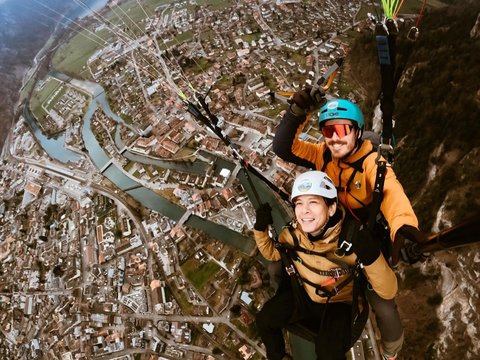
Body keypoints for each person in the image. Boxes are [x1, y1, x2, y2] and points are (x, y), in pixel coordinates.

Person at [272, 90, 427, 359]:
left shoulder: (371, 164)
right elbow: (284, 147)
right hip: (332, 232)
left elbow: (392, 195)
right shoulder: (323, 155)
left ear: (357, 131)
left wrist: (404, 229)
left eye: (342, 129)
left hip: (363, 238)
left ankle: (391, 353)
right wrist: (296, 114)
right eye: (327, 131)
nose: (334, 138)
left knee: (383, 303)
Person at [253, 170, 398, 360]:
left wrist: (372, 257)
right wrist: (260, 230)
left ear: (331, 207)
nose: (304, 211)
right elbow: (273, 254)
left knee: (328, 352)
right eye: (299, 203)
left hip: (339, 304)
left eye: (313, 202)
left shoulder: (353, 240)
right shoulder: (294, 234)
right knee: (265, 319)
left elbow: (388, 291)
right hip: (305, 295)